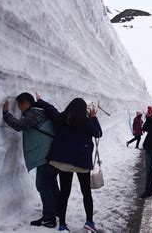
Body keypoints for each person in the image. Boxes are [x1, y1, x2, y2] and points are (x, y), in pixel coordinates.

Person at [36, 95, 102, 232]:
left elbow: (51, 110)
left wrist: (40, 101)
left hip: (63, 163)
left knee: (64, 193)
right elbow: (98, 133)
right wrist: (93, 117)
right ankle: (89, 221)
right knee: (86, 193)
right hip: (82, 163)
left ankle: (63, 224)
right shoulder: (86, 122)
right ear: (84, 109)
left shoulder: (61, 118)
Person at [2, 92, 59, 228]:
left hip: (45, 156)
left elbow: (19, 125)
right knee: (51, 184)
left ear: (26, 103)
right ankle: (57, 210)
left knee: (43, 185)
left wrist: (6, 113)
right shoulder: (41, 111)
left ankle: (49, 218)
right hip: (52, 154)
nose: (20, 109)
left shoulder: (33, 113)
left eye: (19, 105)